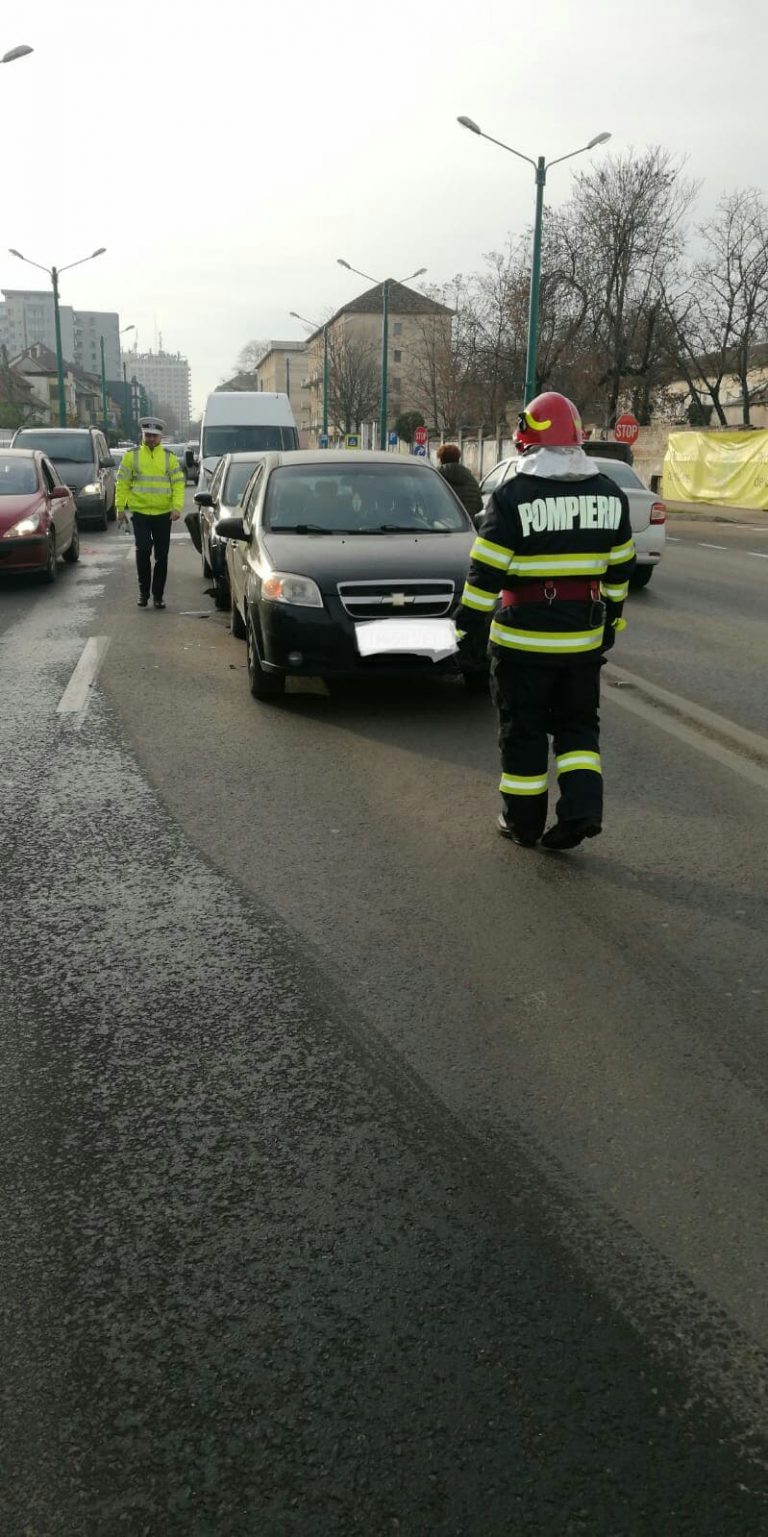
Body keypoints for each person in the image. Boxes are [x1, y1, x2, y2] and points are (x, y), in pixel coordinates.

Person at [454, 391, 635, 851]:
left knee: (524, 732)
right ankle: (582, 811)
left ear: (526, 442)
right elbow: (620, 572)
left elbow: (484, 575)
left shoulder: (512, 497)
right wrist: (611, 621)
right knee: (579, 729)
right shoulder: (609, 494)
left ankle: (523, 824)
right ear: (577, 439)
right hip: (582, 642)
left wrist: (467, 629)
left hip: (522, 644)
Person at [116, 417, 186, 608]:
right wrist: (120, 508)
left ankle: (158, 596)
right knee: (143, 550)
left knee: (161, 556)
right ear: (143, 435)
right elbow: (122, 483)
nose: (151, 439)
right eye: (148, 435)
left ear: (160, 437)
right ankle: (143, 593)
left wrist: (177, 507)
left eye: (154, 436)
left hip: (163, 514)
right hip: (140, 513)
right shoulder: (131, 456)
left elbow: (178, 484)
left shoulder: (169, 457)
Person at [436, 443, 484, 517]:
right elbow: (479, 506)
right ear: (458, 459)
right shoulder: (471, 478)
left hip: (441, 522)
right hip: (468, 523)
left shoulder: (436, 477)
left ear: (441, 459)